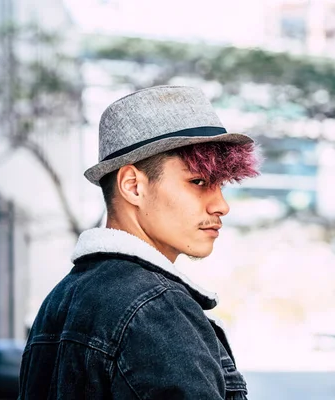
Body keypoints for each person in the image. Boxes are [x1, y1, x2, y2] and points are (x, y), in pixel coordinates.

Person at [18, 85, 259, 399]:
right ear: (132, 186)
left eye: (221, 185)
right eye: (198, 182)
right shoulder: (156, 308)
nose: (221, 205)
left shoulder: (61, 299)